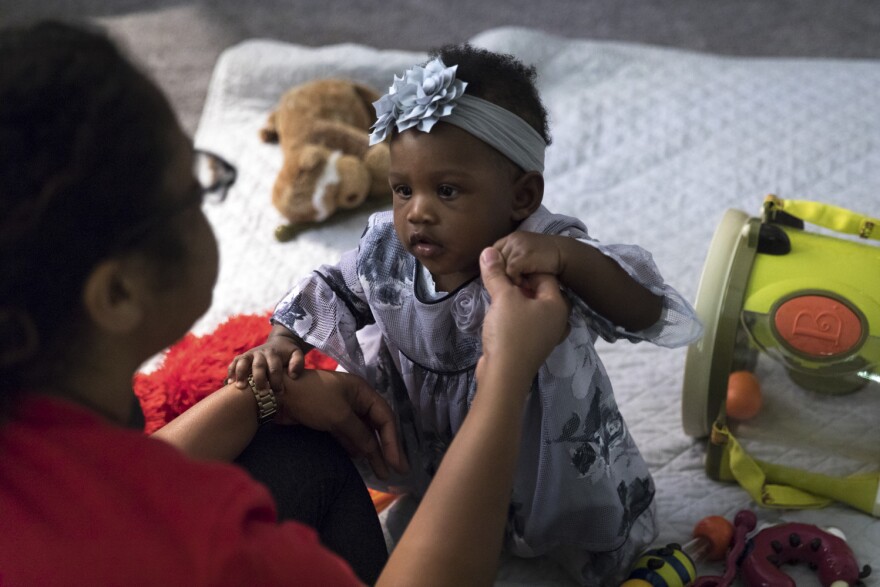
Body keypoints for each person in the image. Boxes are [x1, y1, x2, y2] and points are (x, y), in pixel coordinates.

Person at [0, 20, 570, 587]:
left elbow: (112, 488)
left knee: (299, 454)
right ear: (117, 292)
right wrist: (504, 379)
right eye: (197, 185)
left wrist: (256, 399)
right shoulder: (217, 548)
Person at [229, 45, 704, 585]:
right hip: (436, 439)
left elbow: (643, 310)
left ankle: (608, 561)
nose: (417, 211)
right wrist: (283, 339)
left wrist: (573, 262)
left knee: (584, 536)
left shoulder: (548, 253)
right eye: (403, 189)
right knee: (447, 503)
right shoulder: (388, 247)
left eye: (447, 190)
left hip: (543, 449)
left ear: (521, 196)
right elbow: (332, 285)